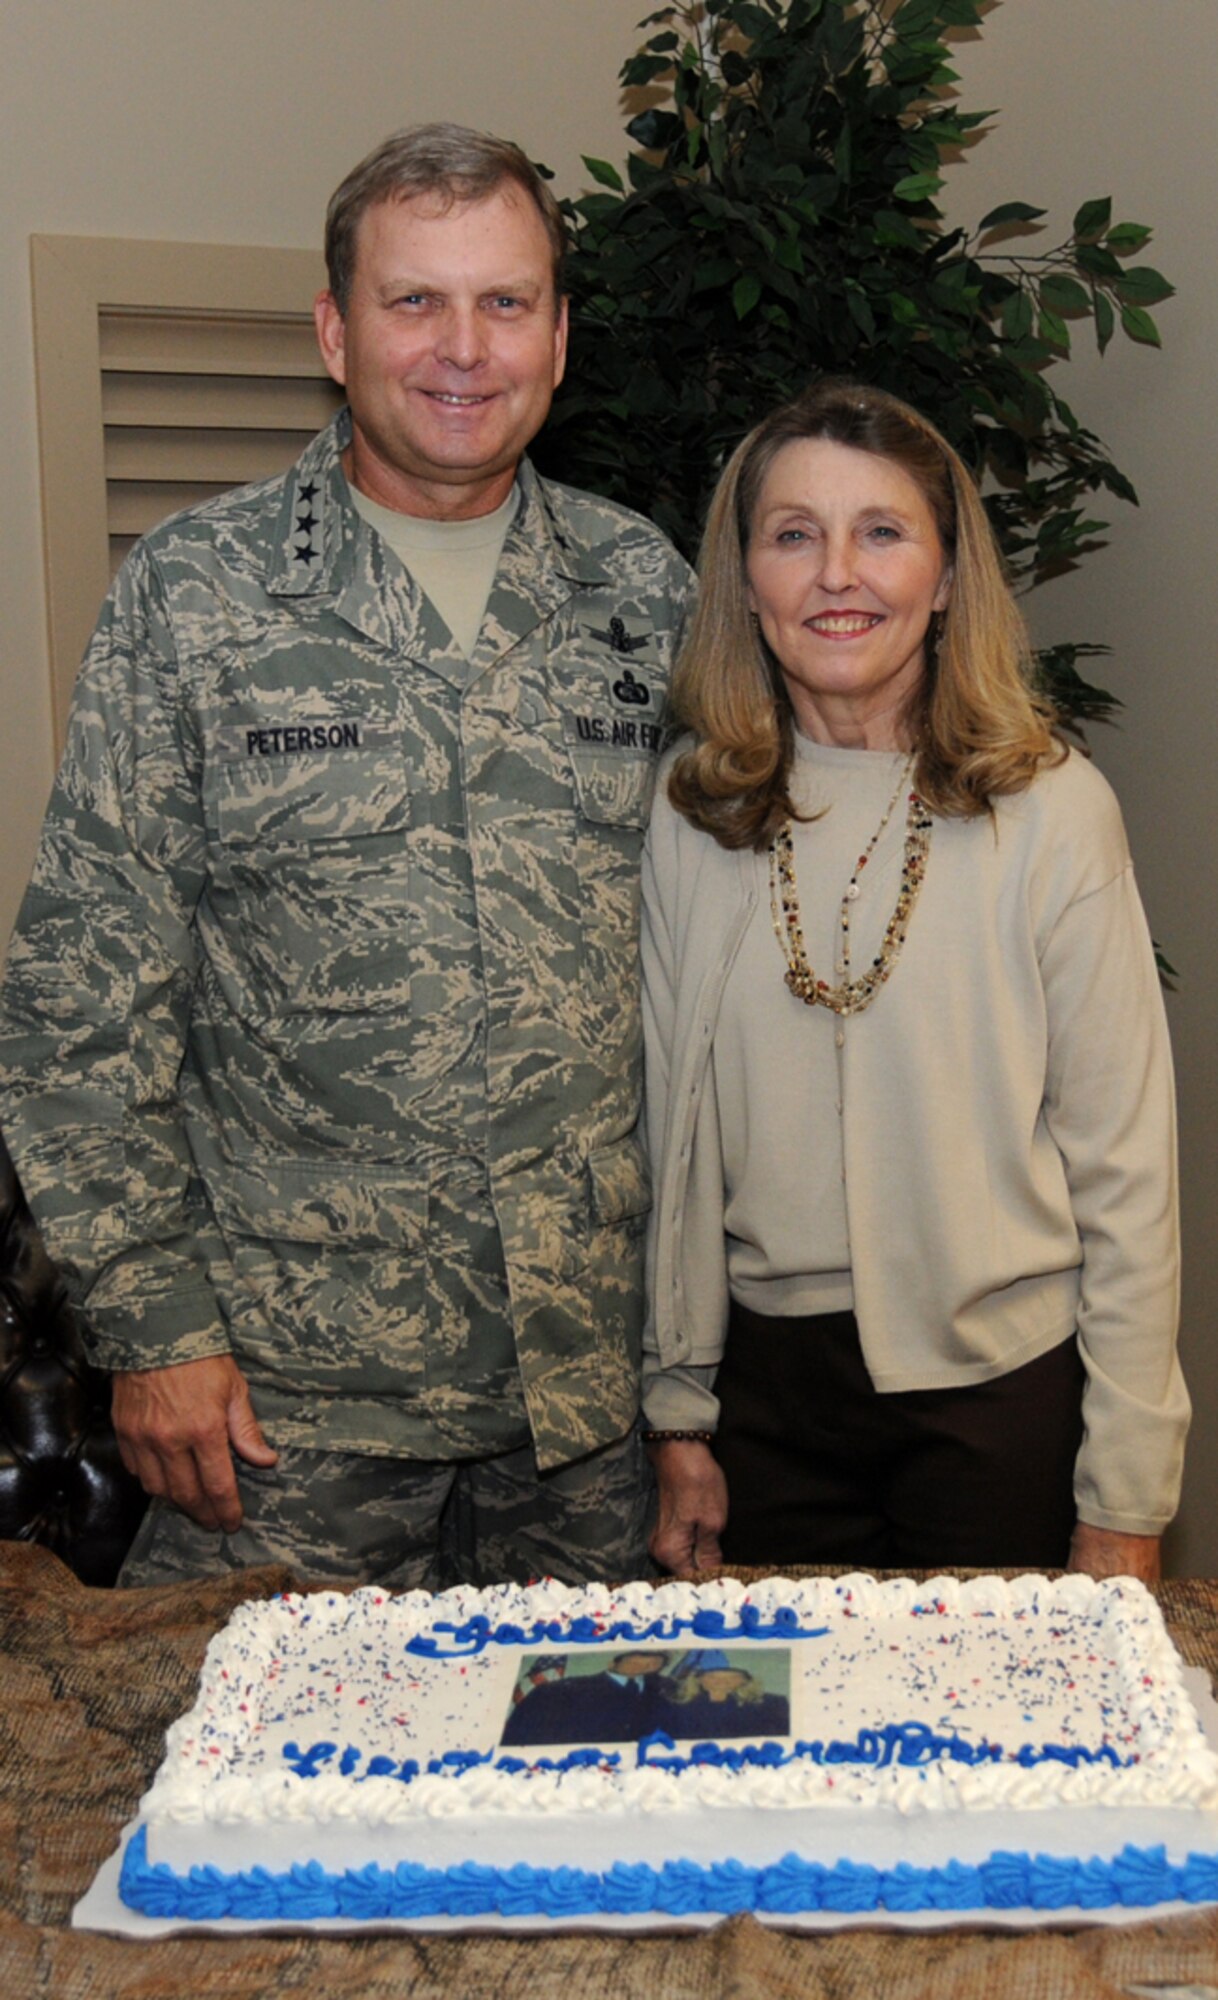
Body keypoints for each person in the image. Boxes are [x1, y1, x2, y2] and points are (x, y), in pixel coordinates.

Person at [0, 124, 692, 1590]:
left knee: (584, 1809)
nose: (462, 348)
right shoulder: (194, 596)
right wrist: (154, 1329)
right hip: (283, 1416)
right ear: (333, 329)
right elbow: (81, 1001)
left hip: (583, 1410)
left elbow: (731, 980)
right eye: (413, 301)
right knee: (240, 1806)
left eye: (504, 302)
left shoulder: (644, 589)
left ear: (559, 338)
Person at [639, 379, 1186, 1585]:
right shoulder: (695, 813)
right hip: (766, 1408)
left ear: (944, 578)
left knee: (1000, 1771)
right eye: (795, 535)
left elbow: (1127, 1176)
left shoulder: (1052, 811)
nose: (838, 573)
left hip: (1001, 1408)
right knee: (785, 1768)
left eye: (881, 532)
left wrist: (1128, 1493)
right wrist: (679, 1412)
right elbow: (673, 1141)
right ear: (745, 580)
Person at [500, 1650, 673, 1745]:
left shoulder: (669, 1694)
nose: (644, 1665)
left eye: (653, 1663)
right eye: (639, 1658)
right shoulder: (559, 1691)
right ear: (613, 1662)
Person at [666, 1656, 790, 1740]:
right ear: (697, 1679)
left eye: (732, 1677)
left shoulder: (772, 1705)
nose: (722, 1682)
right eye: (712, 1677)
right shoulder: (676, 1706)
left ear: (746, 1679)